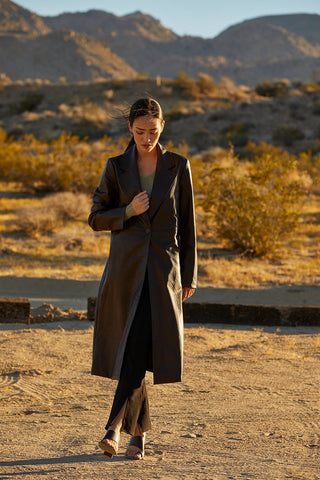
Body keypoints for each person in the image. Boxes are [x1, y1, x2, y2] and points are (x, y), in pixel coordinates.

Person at [88, 97, 197, 460]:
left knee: (139, 348)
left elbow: (188, 225)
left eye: (152, 131)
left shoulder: (178, 166)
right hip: (126, 269)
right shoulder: (116, 167)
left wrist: (189, 274)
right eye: (139, 132)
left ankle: (114, 428)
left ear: (162, 127)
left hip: (163, 270)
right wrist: (128, 211)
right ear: (130, 129)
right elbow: (96, 217)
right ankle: (134, 435)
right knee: (135, 346)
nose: (146, 138)